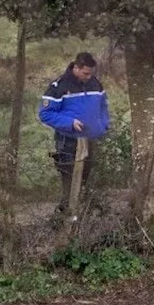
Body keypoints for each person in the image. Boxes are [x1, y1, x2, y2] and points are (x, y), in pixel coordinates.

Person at [38, 51, 111, 217]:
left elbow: (103, 106)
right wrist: (70, 123)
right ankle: (66, 216)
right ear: (76, 68)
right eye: (85, 73)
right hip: (69, 140)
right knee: (70, 181)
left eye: (91, 73)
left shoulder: (96, 84)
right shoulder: (59, 86)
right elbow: (45, 113)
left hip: (91, 138)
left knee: (87, 177)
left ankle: (86, 214)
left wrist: (103, 125)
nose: (88, 77)